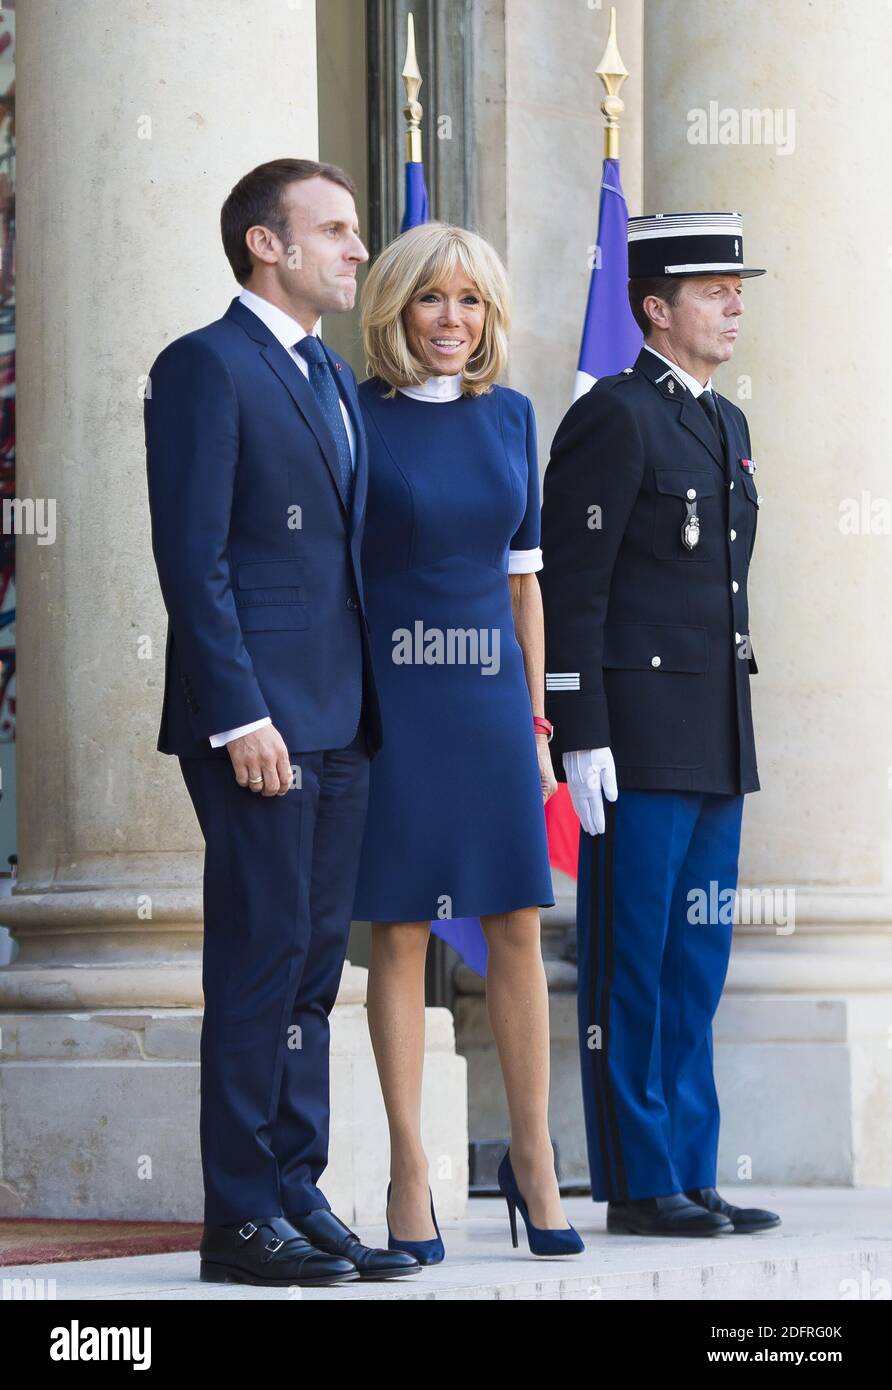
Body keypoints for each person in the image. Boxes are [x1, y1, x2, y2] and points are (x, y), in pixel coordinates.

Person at [144, 157, 419, 1286]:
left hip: (341, 720)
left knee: (311, 973)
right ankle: (237, 1217)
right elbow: (192, 555)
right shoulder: (204, 366)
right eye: (338, 231)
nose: (358, 251)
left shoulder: (333, 377)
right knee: (257, 967)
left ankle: (295, 1192)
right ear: (269, 243)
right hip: (256, 723)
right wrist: (238, 710)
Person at [540, 212, 781, 1237]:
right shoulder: (615, 417)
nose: (733, 302)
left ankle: (689, 1162)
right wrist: (578, 727)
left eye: (737, 285)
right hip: (633, 737)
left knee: (695, 962)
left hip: (712, 730)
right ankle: (639, 1181)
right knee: (630, 961)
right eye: (711, 287)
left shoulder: (723, 422)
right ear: (653, 306)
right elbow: (572, 584)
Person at [351, 221, 584, 1261]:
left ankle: (531, 1158)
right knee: (399, 930)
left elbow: (524, 584)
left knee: (517, 922)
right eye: (431, 300)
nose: (452, 320)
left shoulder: (513, 419)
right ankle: (409, 1170)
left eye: (471, 301)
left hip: (491, 703)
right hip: (394, 698)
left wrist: (537, 722)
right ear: (395, 311)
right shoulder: (355, 416)